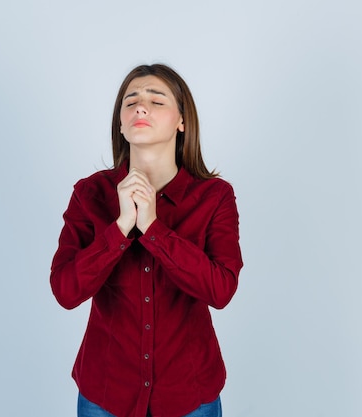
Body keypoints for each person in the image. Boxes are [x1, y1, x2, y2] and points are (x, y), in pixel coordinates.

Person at [50, 63, 243, 417]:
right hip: (105, 394)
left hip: (189, 394)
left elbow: (221, 290)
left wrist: (153, 229)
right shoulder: (89, 193)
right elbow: (65, 291)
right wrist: (121, 227)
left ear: (181, 121)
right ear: (121, 124)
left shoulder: (215, 196)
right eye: (131, 101)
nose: (141, 107)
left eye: (157, 101)